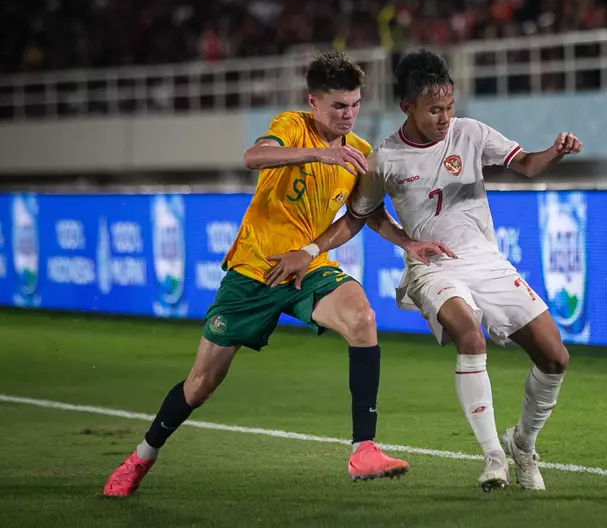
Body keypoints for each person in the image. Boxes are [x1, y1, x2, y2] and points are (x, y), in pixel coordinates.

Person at [103, 51, 452, 497]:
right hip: (253, 271)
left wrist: (408, 243)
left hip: (307, 266)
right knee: (201, 385)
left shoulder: (361, 154)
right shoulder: (292, 126)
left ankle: (364, 448)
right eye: (338, 107)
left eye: (355, 105)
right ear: (313, 102)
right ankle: (140, 458)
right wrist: (320, 155)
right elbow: (254, 157)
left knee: (363, 319)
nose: (348, 115)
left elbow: (363, 215)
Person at [307, 49, 582, 491]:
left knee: (555, 358)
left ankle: (523, 445)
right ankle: (494, 457)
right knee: (469, 335)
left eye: (450, 107)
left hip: (485, 259)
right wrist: (318, 248)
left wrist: (557, 149)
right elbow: (361, 214)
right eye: (435, 109)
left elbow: (528, 165)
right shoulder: (385, 159)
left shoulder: (470, 133)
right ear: (407, 107)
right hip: (433, 267)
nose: (445, 117)